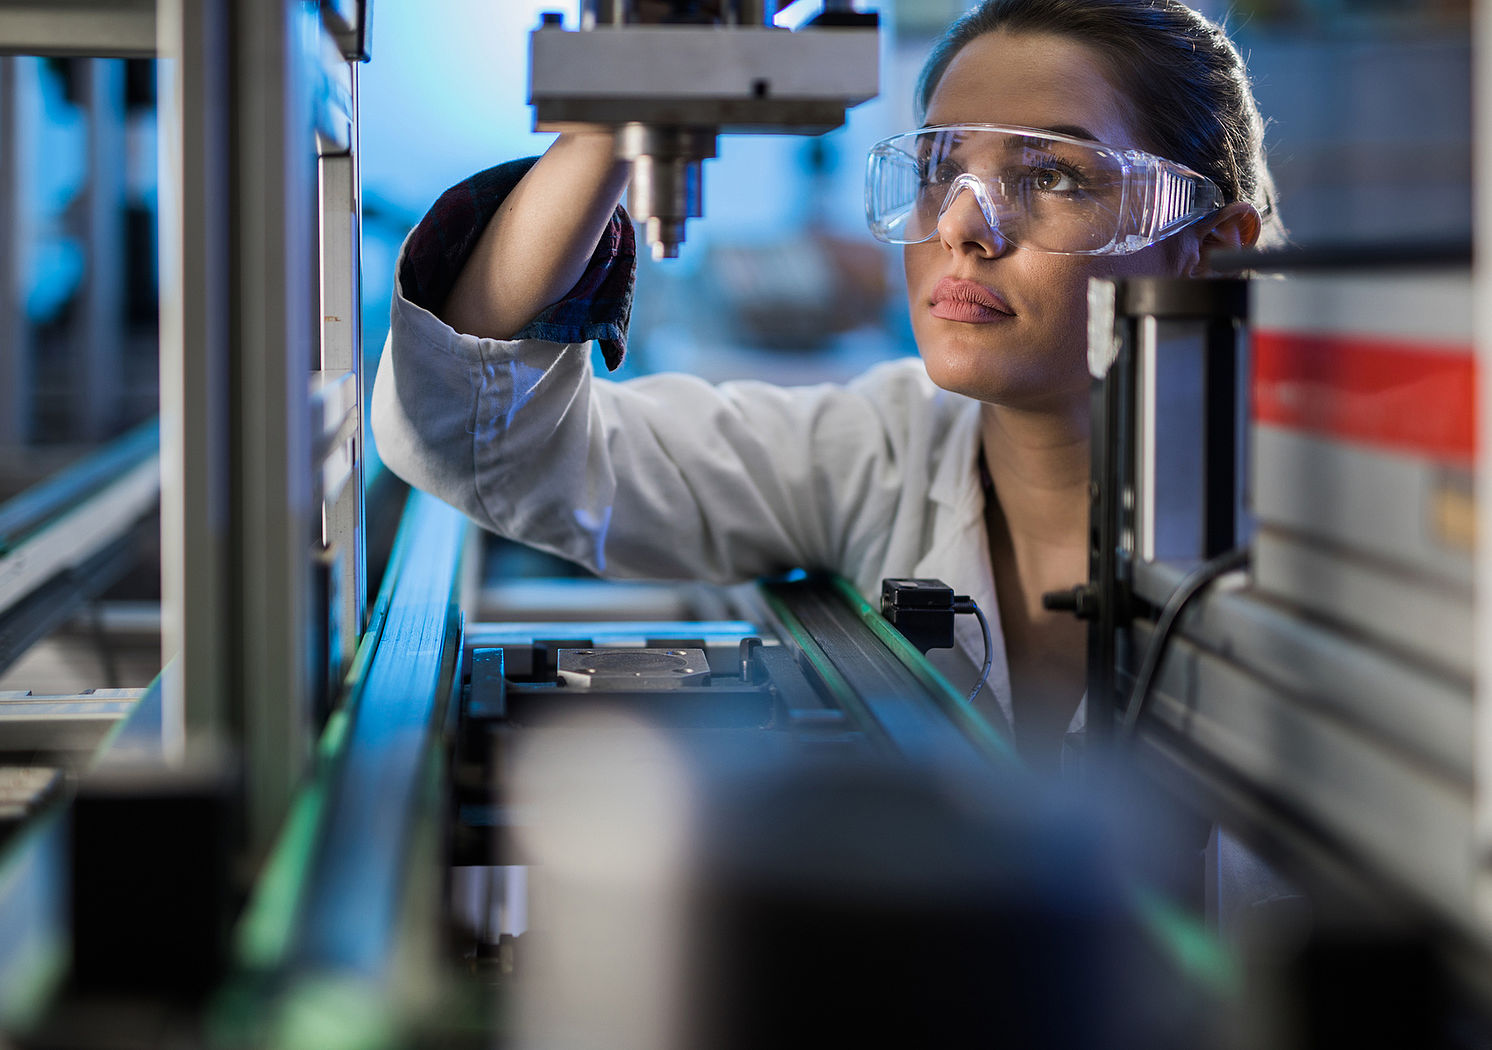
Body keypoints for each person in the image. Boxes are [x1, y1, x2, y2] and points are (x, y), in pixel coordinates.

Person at [371, 0, 1283, 771]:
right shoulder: (878, 452)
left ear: (1209, 249)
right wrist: (622, 110)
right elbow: (473, 430)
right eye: (940, 171)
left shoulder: (1341, 535)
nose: (965, 226)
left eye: (1051, 174)